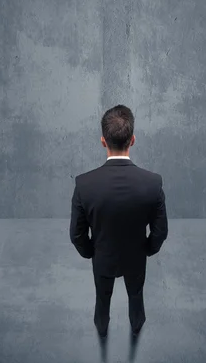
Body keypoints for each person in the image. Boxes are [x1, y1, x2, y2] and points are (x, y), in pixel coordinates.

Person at [69, 104, 169, 340]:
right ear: (132, 140)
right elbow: (160, 231)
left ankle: (101, 327)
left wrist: (90, 252)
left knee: (102, 297)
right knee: (136, 294)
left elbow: (77, 234)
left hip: (102, 258)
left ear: (103, 141)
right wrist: (147, 249)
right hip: (136, 258)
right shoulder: (152, 183)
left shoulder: (84, 184)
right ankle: (137, 326)